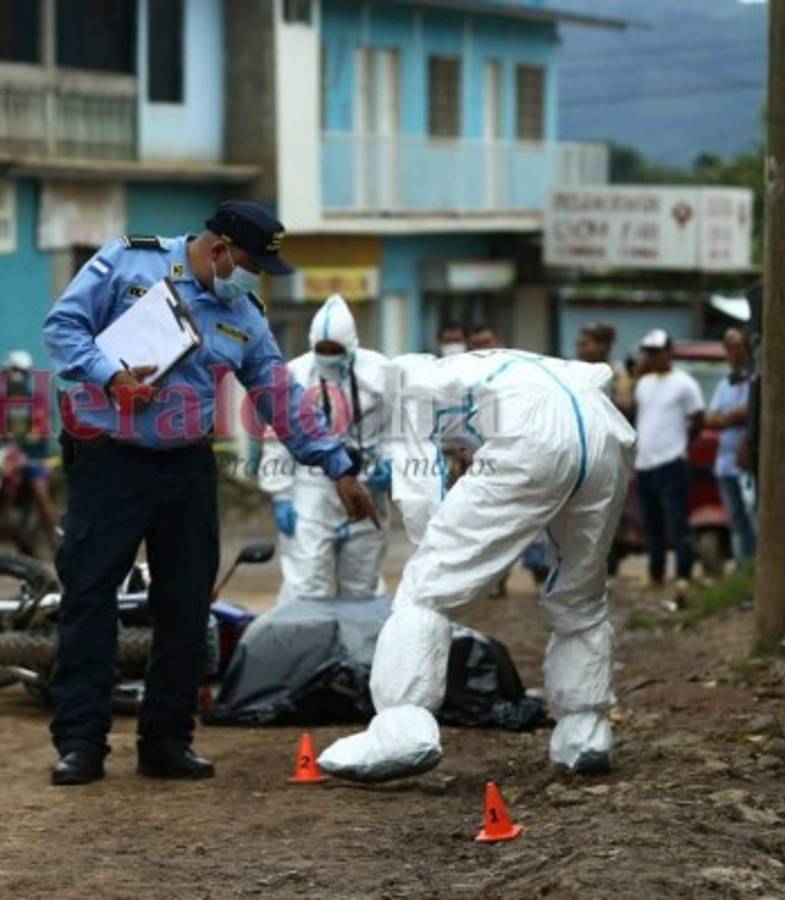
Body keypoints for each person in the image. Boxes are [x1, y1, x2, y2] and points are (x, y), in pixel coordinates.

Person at [42, 200, 376, 786]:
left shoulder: (243, 314)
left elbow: (279, 395)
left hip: (185, 468)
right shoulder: (126, 263)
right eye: (250, 263)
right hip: (107, 460)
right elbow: (62, 328)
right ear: (219, 250)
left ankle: (166, 741)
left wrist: (338, 465)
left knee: (187, 606)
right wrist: (108, 376)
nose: (254, 278)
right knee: (90, 599)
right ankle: (80, 743)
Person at [318, 349, 636, 782]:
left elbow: (420, 495)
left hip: (531, 434)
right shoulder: (471, 369)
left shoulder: (405, 392)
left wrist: (443, 553)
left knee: (425, 589)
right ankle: (586, 731)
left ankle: (401, 731)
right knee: (579, 595)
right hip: (604, 429)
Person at [259, 295, 391, 602]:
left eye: (337, 350)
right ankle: (303, 647)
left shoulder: (380, 373)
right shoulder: (295, 375)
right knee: (306, 582)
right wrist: (281, 495)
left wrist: (392, 466)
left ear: (352, 345)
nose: (329, 356)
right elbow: (277, 439)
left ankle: (360, 648)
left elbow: (399, 428)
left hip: (367, 483)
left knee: (363, 583)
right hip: (312, 486)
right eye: (323, 350)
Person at [632, 329, 705, 591]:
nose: (653, 358)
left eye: (657, 352)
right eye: (649, 353)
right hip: (645, 463)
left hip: (672, 461)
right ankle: (656, 573)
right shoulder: (643, 384)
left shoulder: (684, 383)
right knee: (651, 524)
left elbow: (698, 418)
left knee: (676, 521)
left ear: (669, 352)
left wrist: (682, 442)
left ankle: (684, 572)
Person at [0, 349, 58, 552]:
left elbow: (40, 422)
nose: (11, 376)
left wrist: (32, 434)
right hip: (7, 455)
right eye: (8, 372)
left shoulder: (37, 400)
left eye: (15, 371)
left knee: (39, 491)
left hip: (33, 456)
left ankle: (56, 540)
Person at [705, 327, 755, 570]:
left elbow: (750, 411)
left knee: (753, 517)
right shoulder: (725, 383)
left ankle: (755, 568)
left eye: (739, 346)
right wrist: (732, 417)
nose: (736, 352)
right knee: (735, 520)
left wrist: (731, 417)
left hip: (749, 464)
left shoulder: (756, 379)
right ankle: (742, 568)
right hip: (725, 462)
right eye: (731, 347)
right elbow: (711, 419)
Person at [576, 322, 634, 413]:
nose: (579, 348)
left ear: (603, 346)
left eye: (585, 344)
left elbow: (624, 402)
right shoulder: (576, 370)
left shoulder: (617, 370)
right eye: (579, 344)